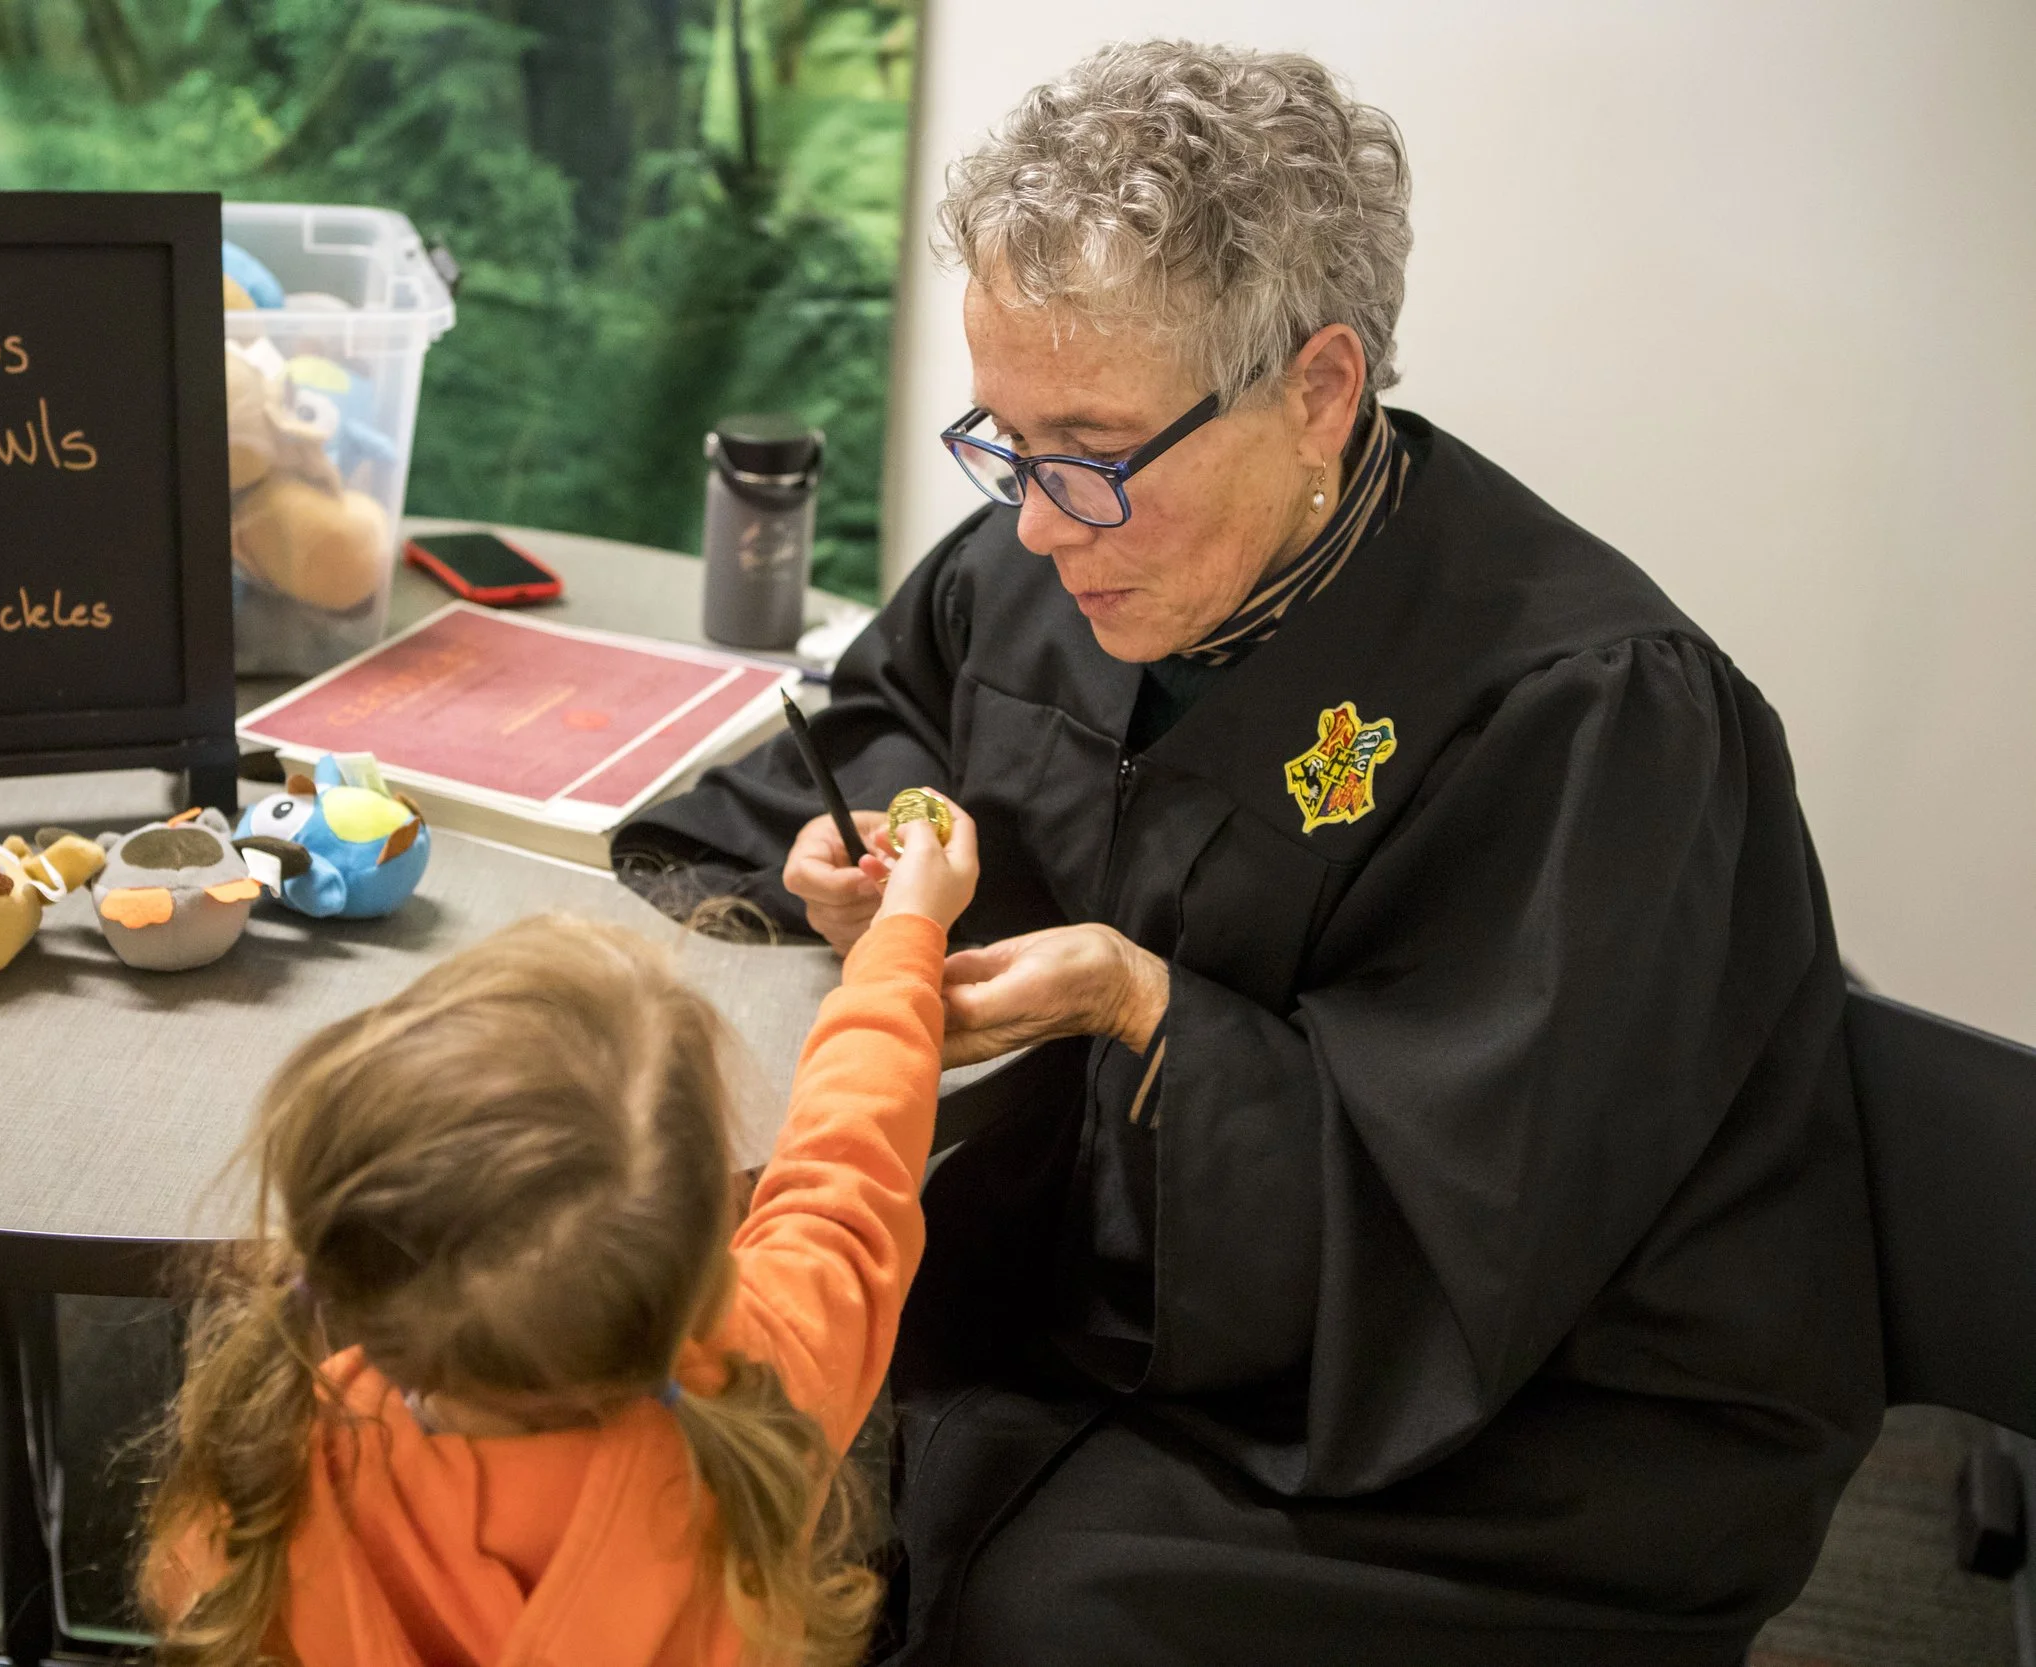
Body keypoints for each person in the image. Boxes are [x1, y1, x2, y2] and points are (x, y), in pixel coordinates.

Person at [613, 39, 1881, 1667]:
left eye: (1089, 451)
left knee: (1025, 1609)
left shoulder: (1592, 717)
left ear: (1321, 392)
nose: (1039, 523)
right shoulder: (1049, 542)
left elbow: (1466, 1209)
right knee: (735, 1428)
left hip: (1525, 1420)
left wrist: (1145, 1008)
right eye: (999, 441)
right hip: (1131, 1285)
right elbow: (894, 720)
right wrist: (859, 843)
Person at [140, 799, 981, 1667]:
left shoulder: (268, 1485)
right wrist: (907, 929)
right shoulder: (756, 1397)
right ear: (704, 1246)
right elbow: (845, 1180)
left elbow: (185, 1591)